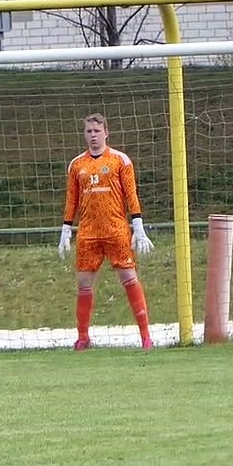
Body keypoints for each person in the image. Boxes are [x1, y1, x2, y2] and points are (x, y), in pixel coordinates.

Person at [58, 113, 155, 350]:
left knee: (129, 278)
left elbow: (131, 194)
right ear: (84, 134)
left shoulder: (120, 161)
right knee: (83, 284)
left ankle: (145, 336)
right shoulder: (77, 165)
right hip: (88, 232)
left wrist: (138, 227)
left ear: (106, 132)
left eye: (97, 131)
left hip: (116, 230)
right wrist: (65, 229)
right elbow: (72, 198)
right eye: (89, 131)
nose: (93, 136)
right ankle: (83, 337)